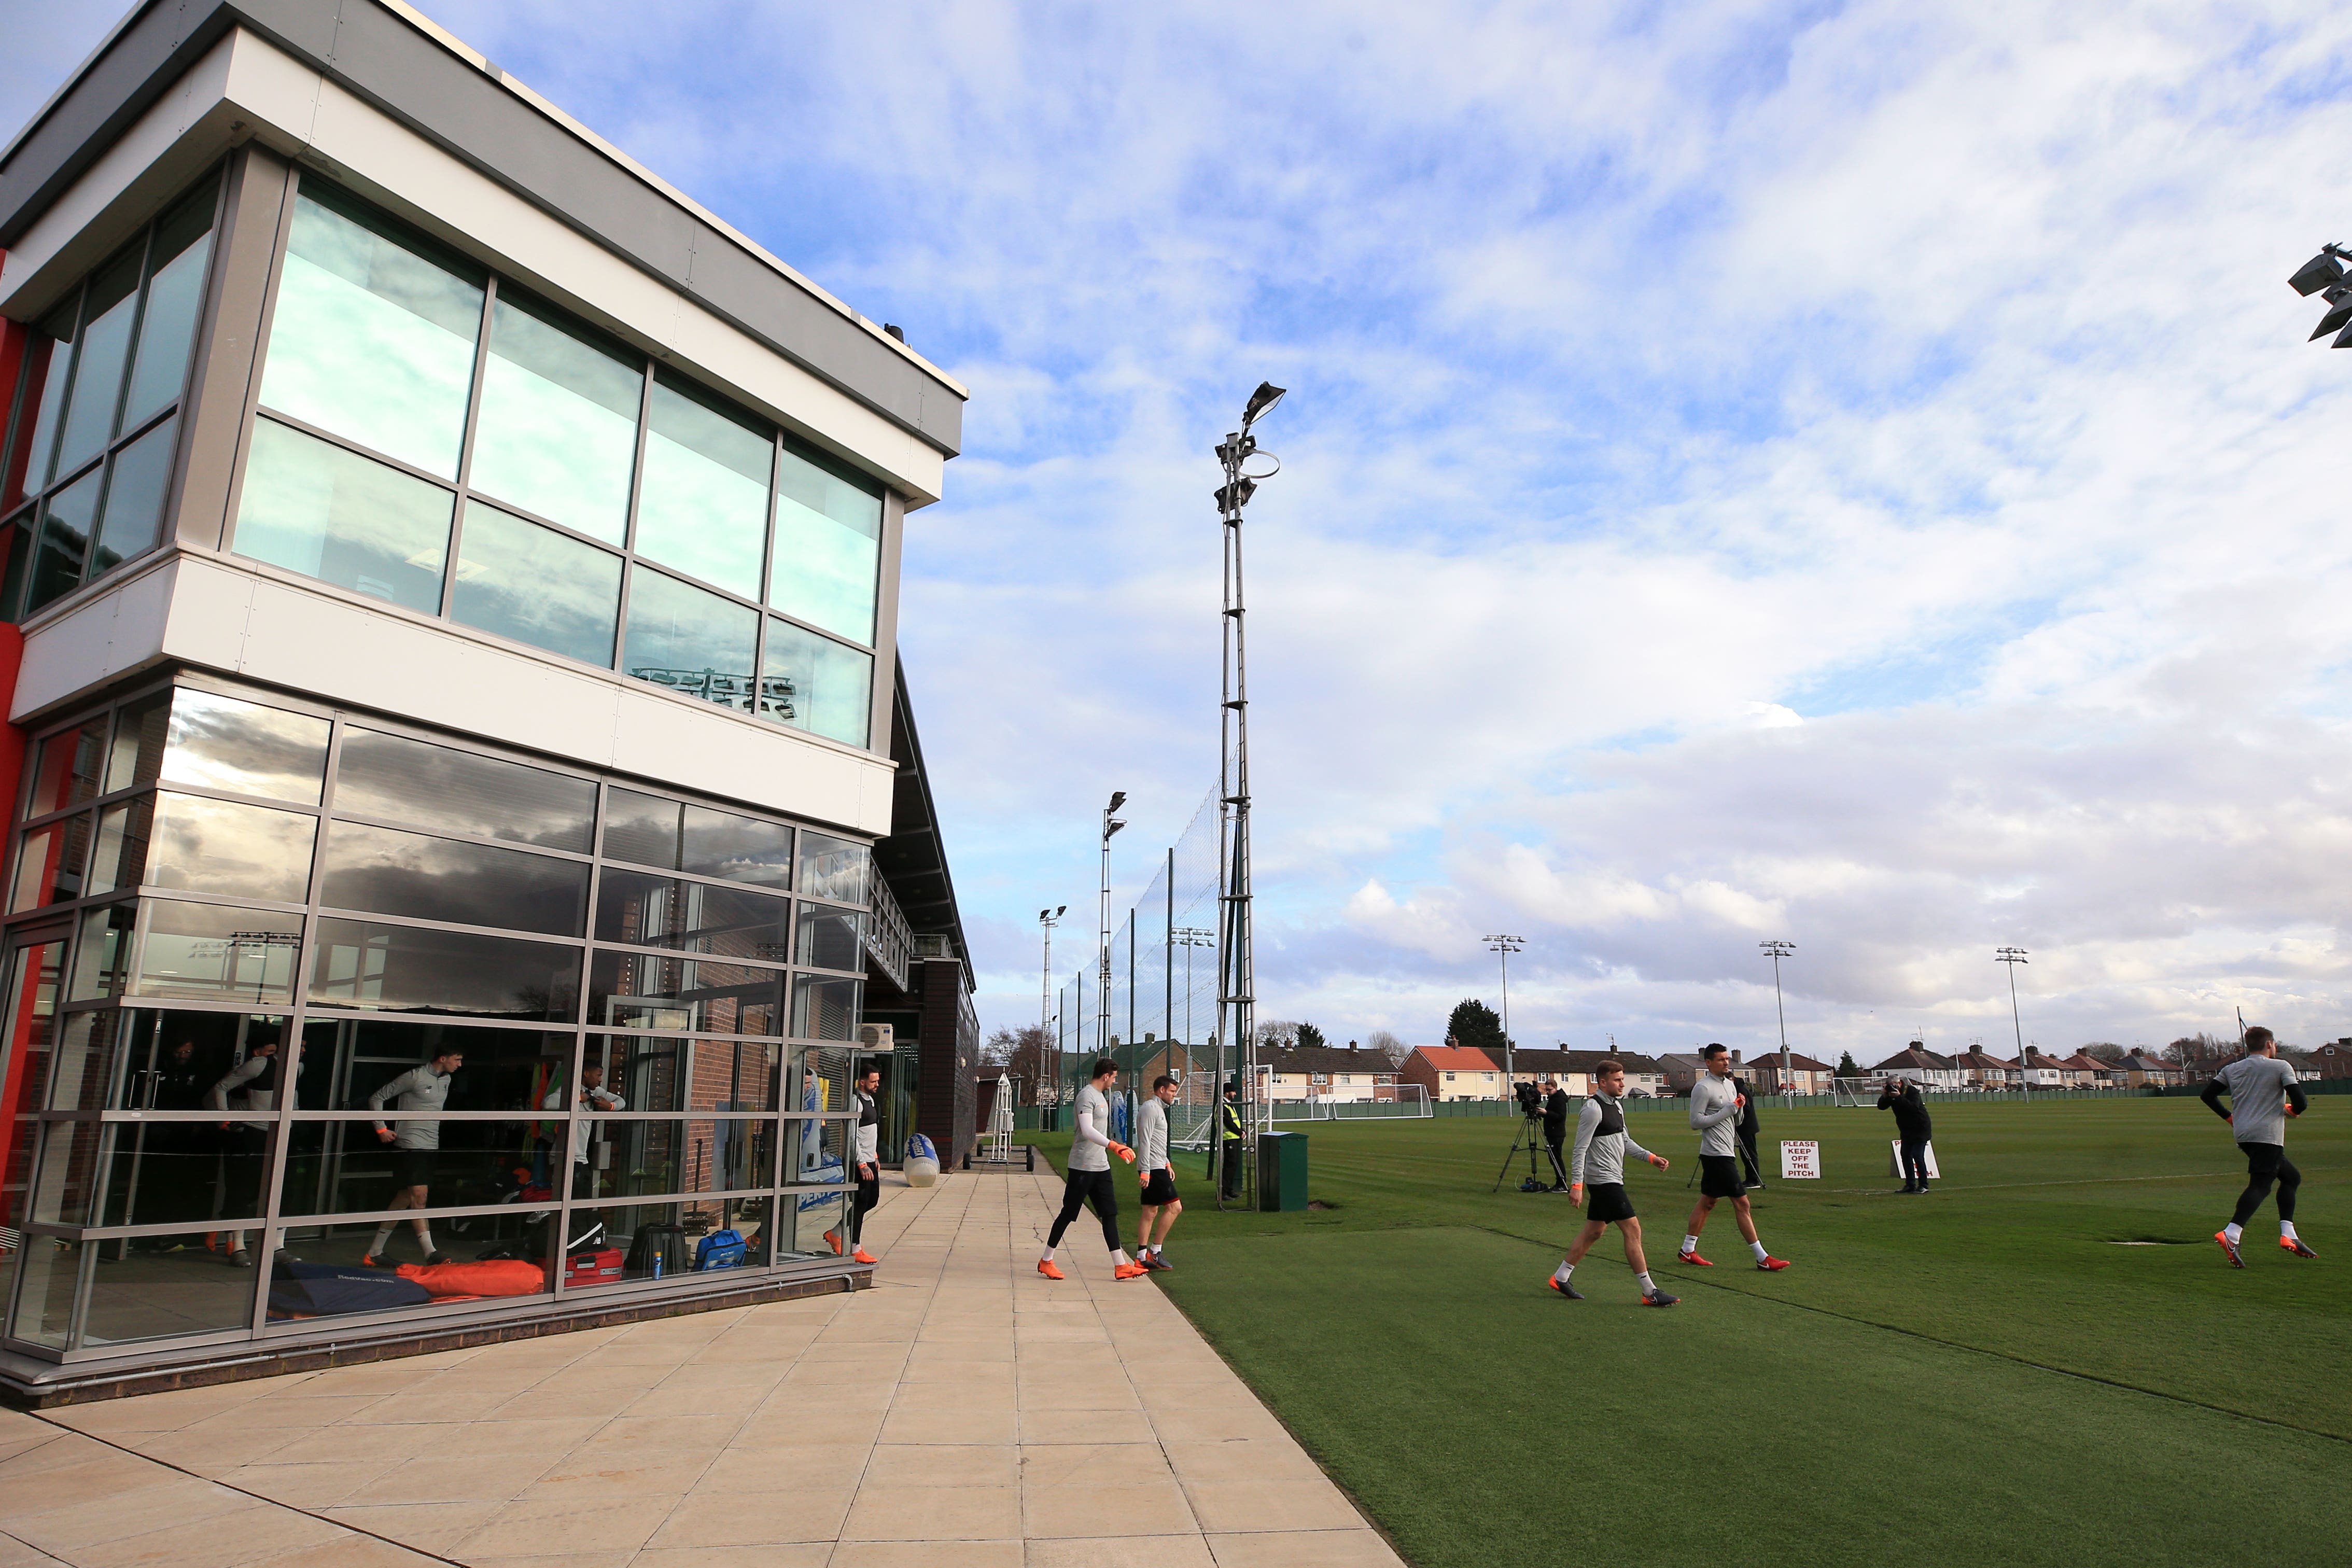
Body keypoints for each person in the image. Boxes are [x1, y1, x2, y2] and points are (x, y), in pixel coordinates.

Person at [1547, 1058, 1678, 1306]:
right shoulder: (1592, 1108)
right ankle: (1650, 1291)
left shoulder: (1617, 1107)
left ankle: (1561, 1277)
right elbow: (1580, 1149)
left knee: (1594, 1232)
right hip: (1604, 1181)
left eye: (1622, 1079)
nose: (1622, 1083)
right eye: (1617, 1080)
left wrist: (1651, 1157)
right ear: (1603, 1082)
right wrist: (1577, 1185)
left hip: (1612, 1178)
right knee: (1633, 1229)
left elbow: (1625, 1141)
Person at [2202, 1027, 2316, 1265]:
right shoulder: (2281, 1066)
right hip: (2267, 1135)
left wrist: (2230, 1118)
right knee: (2261, 1185)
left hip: (2243, 1134)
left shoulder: (2232, 1068)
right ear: (2270, 1044)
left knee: (2291, 1178)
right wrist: (2293, 1112)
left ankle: (2289, 1235)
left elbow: (2208, 1095)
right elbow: (2301, 1102)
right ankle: (2231, 1234)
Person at [1681, 1043, 1790, 1271]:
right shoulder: (1703, 1088)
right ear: (1709, 1063)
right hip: (1716, 1154)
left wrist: (1739, 1108)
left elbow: (1736, 1121)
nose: (1726, 1063)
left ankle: (1687, 1250)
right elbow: (1695, 1122)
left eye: (1727, 1059)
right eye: (1721, 1060)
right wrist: (1728, 1111)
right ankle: (1762, 1258)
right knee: (1742, 1203)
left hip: (1725, 1151)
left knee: (1708, 1202)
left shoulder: (1731, 1086)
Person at [1040, 1058, 1144, 1281]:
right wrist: (1114, 1145)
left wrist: (1110, 1149)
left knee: (1109, 1213)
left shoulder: (1101, 1097)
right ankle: (1046, 1260)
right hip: (1082, 1166)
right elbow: (1087, 1130)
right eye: (1115, 1077)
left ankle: (1120, 1266)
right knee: (1068, 1214)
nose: (1115, 1081)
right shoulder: (1086, 1096)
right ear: (1106, 1075)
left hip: (1101, 1166)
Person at [205, 1031, 298, 1267]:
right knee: (244, 1188)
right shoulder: (257, 1065)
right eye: (270, 1050)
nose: (302, 1050)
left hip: (283, 1132)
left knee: (281, 1188)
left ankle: (277, 1245)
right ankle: (238, 1246)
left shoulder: (294, 1066)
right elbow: (221, 1087)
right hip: (256, 1133)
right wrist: (224, 1120)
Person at [366, 1047, 464, 1265]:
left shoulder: (446, 1079)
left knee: (404, 1198)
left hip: (431, 1145)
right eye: (457, 1060)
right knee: (419, 1197)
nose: (459, 1065)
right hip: (410, 1144)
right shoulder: (414, 1077)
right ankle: (431, 1254)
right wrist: (381, 1129)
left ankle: (374, 1252)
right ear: (443, 1058)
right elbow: (377, 1098)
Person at [543, 1061, 625, 1199]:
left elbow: (621, 1102)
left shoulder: (596, 1091)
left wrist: (609, 1106)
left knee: (583, 1201)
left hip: (581, 1158)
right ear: (586, 1073)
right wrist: (578, 1098)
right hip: (566, 1158)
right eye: (598, 1075)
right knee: (572, 1201)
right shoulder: (570, 1089)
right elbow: (547, 1103)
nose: (601, 1080)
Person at [825, 1065, 881, 1265]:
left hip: (869, 1160)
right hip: (858, 1161)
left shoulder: (871, 1100)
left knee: (872, 1201)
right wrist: (861, 1164)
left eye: (877, 1080)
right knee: (859, 1202)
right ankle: (855, 1248)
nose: (877, 1084)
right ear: (862, 1082)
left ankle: (836, 1233)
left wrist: (874, 1156)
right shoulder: (854, 1101)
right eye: (873, 1081)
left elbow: (868, 1133)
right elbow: (851, 1136)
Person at [1135, 1074, 1182, 1269]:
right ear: (1161, 1090)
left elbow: (1157, 1142)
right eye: (1172, 1091)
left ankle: (1141, 1256)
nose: (1174, 1095)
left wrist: (1167, 1163)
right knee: (1175, 1208)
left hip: (1157, 1166)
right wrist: (1146, 1170)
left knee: (1150, 1211)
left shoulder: (1158, 1109)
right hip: (1152, 1168)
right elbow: (1145, 1141)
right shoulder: (1150, 1108)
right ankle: (1155, 1252)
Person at [1878, 1077, 1934, 1193]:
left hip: (1920, 1128)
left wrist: (1898, 1097)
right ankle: (1910, 1185)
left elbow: (1913, 1108)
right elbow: (1881, 1107)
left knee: (1917, 1156)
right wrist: (1885, 1096)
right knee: (1905, 1155)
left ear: (1900, 1083)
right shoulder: (1891, 1095)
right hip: (1906, 1129)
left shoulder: (1912, 1091)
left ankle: (1924, 1185)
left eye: (1894, 1085)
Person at [1735, 1074, 1765, 1189]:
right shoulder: (1740, 1088)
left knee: (1749, 1153)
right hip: (1744, 1127)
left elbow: (1745, 1107)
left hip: (1746, 1127)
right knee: (1746, 1153)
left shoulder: (1740, 1090)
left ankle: (1753, 1180)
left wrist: (1734, 1107)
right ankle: (1751, 1179)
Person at [1217, 1081, 1246, 1199]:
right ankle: (1223, 1192)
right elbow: (1228, 1123)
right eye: (1233, 1091)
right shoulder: (1222, 1106)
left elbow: (1234, 1121)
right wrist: (1240, 1132)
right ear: (1227, 1093)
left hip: (1233, 1138)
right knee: (1230, 1166)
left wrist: (1241, 1131)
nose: (1235, 1094)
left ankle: (1229, 1190)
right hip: (1228, 1139)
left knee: (1232, 1165)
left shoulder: (1228, 1105)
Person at [1543, 1079, 1572, 1192]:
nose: (1548, 1092)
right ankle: (1559, 1182)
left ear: (1555, 1088)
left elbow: (1560, 1116)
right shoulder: (1554, 1099)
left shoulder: (1559, 1100)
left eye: (1550, 1090)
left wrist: (1546, 1113)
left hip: (1557, 1133)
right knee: (1553, 1158)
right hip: (1552, 1132)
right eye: (1546, 1090)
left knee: (1556, 1158)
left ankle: (1562, 1183)